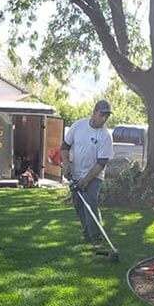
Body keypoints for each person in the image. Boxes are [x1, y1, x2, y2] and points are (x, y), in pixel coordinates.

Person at [61, 100, 113, 246]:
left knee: (90, 202)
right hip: (75, 173)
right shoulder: (79, 125)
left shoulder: (105, 136)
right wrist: (66, 164)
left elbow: (101, 163)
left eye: (107, 116)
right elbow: (65, 146)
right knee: (78, 204)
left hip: (94, 176)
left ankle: (96, 238)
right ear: (94, 112)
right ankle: (87, 234)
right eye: (102, 115)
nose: (104, 119)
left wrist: (86, 180)